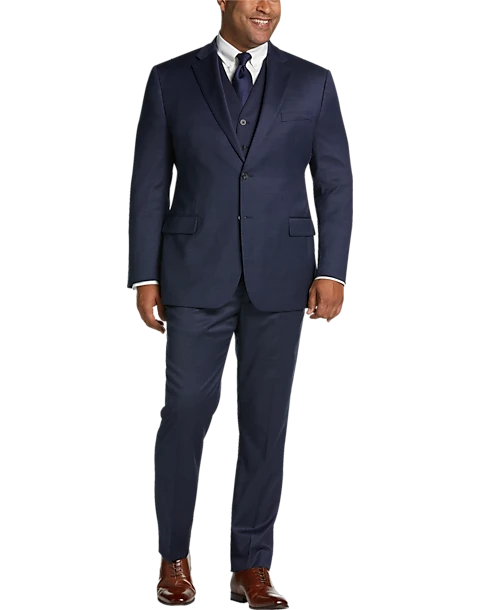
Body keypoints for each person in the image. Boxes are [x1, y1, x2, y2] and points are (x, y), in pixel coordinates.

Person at [129, 0, 352, 606]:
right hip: (193, 273)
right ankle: (175, 557)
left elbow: (334, 182)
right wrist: (144, 276)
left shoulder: (311, 82)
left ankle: (252, 564)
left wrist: (332, 269)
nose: (266, 7)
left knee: (264, 420)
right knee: (185, 413)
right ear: (222, 3)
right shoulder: (171, 80)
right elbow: (149, 184)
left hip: (282, 275)